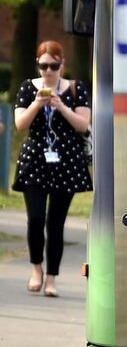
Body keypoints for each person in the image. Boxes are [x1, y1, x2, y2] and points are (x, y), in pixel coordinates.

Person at [13, 40, 92, 297]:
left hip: (66, 163)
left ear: (62, 64)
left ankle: (51, 278)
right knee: (35, 219)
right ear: (38, 65)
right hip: (35, 161)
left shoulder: (76, 89)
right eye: (44, 65)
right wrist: (37, 103)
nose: (48, 71)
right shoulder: (28, 88)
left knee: (56, 223)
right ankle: (36, 269)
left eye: (54, 65)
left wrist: (61, 106)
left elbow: (83, 125)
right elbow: (20, 125)